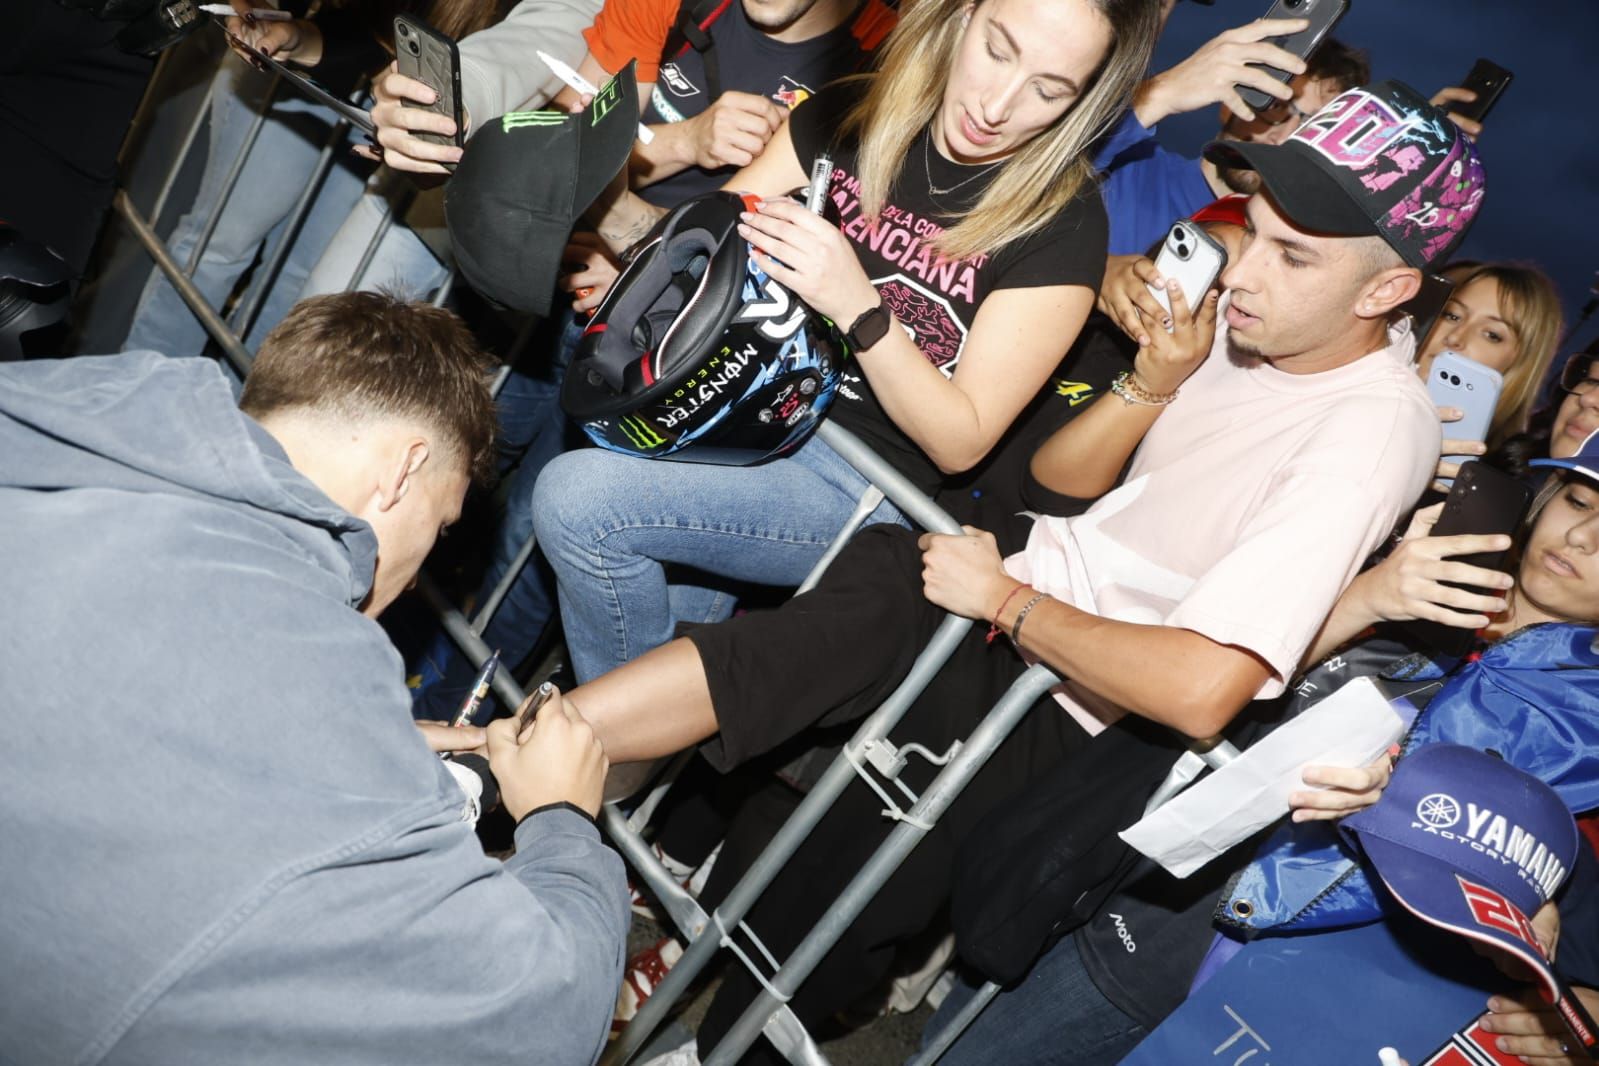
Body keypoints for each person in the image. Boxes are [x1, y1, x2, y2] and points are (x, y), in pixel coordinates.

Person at [547, 80, 1479, 1063]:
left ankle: (714, 1027)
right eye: (1251, 228)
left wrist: (1007, 601)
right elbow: (1059, 479)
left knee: (841, 909)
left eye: (1293, 255)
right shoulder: (1253, 322)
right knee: (783, 684)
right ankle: (515, 760)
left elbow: (1205, 688)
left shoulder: (1371, 429)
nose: (1245, 271)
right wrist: (1142, 385)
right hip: (1009, 589)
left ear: (1385, 290)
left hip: (1069, 701)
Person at [0, 291, 628, 1065]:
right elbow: (541, 1021)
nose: (420, 560)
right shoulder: (309, 665)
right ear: (402, 471)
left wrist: (361, 742)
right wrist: (561, 818)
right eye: (438, 526)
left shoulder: (59, 425)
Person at [532, 0, 1159, 685]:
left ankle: (595, 745)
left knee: (577, 498)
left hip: (858, 485)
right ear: (959, 15)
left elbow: (961, 439)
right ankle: (611, 757)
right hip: (739, 414)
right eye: (998, 49)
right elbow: (710, 253)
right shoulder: (848, 112)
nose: (996, 104)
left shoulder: (1063, 225)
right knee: (675, 632)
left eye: (1047, 89)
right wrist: (634, 246)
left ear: (1084, 100)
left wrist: (857, 307)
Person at [940, 432, 1599, 1065]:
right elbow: (1225, 679)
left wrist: (1519, 906)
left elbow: (1558, 927)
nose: (1579, 537)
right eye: (1577, 501)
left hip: (1274, 985)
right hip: (1138, 879)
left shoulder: (1582, 735)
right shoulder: (1415, 568)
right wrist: (1367, 595)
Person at [408, 0, 898, 721]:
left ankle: (457, 719)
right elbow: (562, 142)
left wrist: (635, 261)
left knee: (539, 543)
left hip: (695, 366)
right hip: (571, 288)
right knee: (459, 467)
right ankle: (389, 647)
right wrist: (685, 141)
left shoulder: (882, 64)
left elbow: (822, 272)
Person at [121, 0, 501, 360]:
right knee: (219, 246)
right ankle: (139, 398)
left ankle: (243, 417)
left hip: (381, 108)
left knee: (298, 285)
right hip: (291, 67)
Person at [1095, 19, 1370, 254]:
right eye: (1274, 106)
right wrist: (1163, 92)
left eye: (1313, 125)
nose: (1283, 138)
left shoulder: (1288, 254)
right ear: (1228, 103)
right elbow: (1057, 155)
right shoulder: (1125, 170)